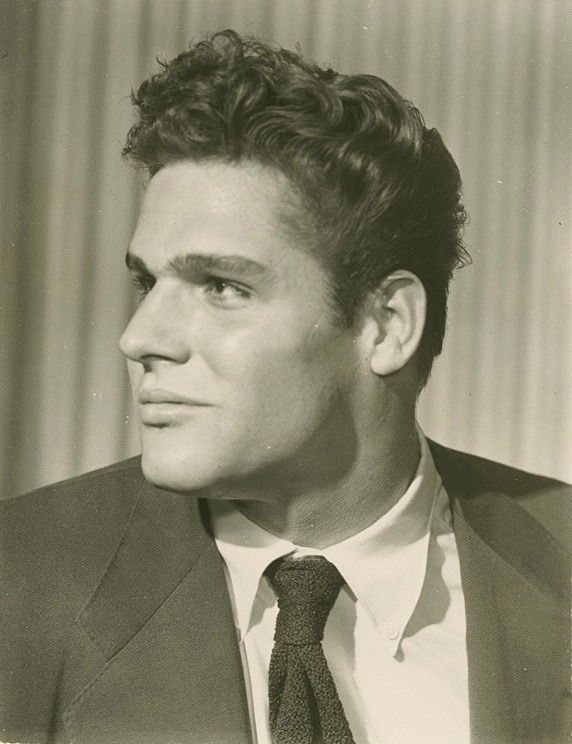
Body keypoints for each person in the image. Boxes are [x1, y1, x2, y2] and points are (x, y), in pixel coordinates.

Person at [1, 29, 569, 744]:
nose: (139, 337)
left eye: (221, 287)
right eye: (148, 282)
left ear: (387, 325)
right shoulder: (16, 583)